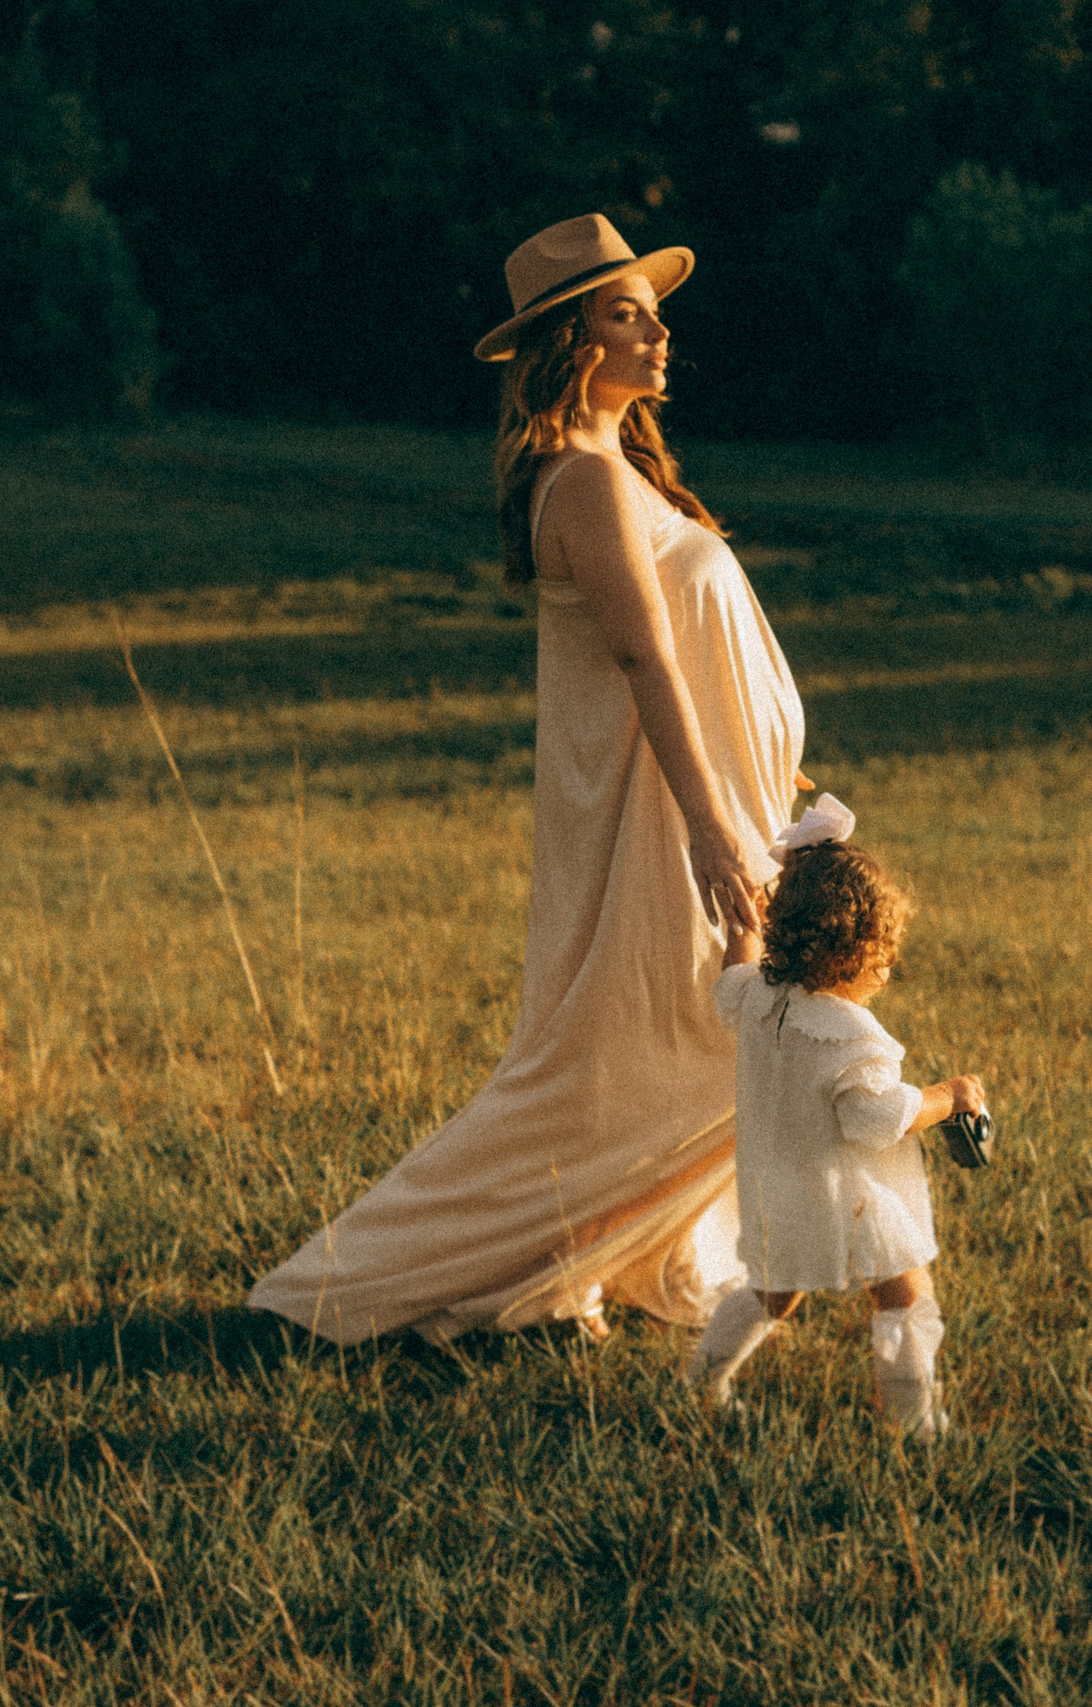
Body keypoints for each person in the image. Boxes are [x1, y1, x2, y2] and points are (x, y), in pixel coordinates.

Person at [247, 213, 809, 1344]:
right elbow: (647, 658)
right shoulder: (584, 484)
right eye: (623, 314)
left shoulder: (623, 474)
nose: (655, 332)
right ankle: (329, 1289)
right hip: (664, 825)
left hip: (713, 810)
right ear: (570, 342)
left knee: (701, 1051)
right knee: (640, 1063)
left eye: (654, 311)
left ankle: (599, 1263)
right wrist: (709, 828)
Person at [681, 794, 987, 1436]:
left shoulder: (761, 999)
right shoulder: (851, 1036)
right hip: (852, 1196)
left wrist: (743, 936)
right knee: (904, 1293)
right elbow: (877, 1118)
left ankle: (701, 1384)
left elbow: (730, 985)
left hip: (774, 1189)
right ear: (860, 953)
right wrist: (948, 1097)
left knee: (773, 1293)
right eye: (884, 957)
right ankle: (916, 1422)